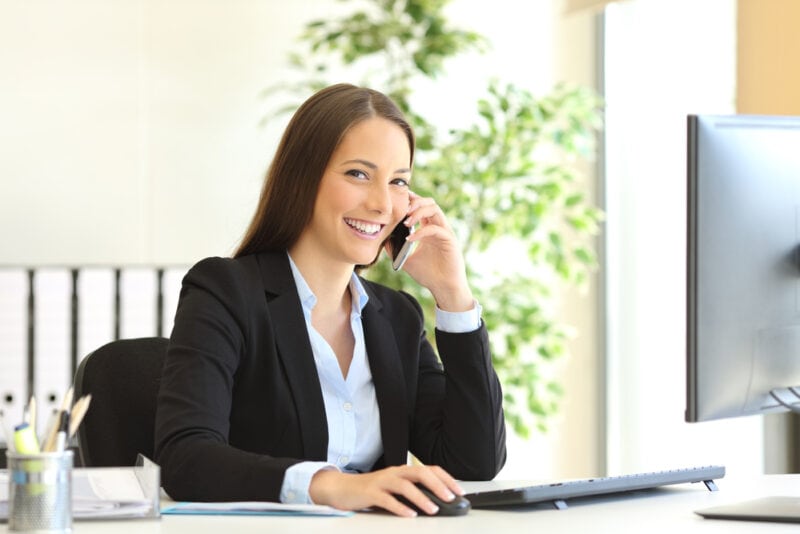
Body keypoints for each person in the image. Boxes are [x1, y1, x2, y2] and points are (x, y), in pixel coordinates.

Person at [153, 83, 506, 517]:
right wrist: (332, 487)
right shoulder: (225, 292)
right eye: (359, 174)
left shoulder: (396, 317)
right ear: (303, 178)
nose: (381, 203)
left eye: (398, 182)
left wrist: (453, 295)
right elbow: (187, 458)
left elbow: (475, 461)